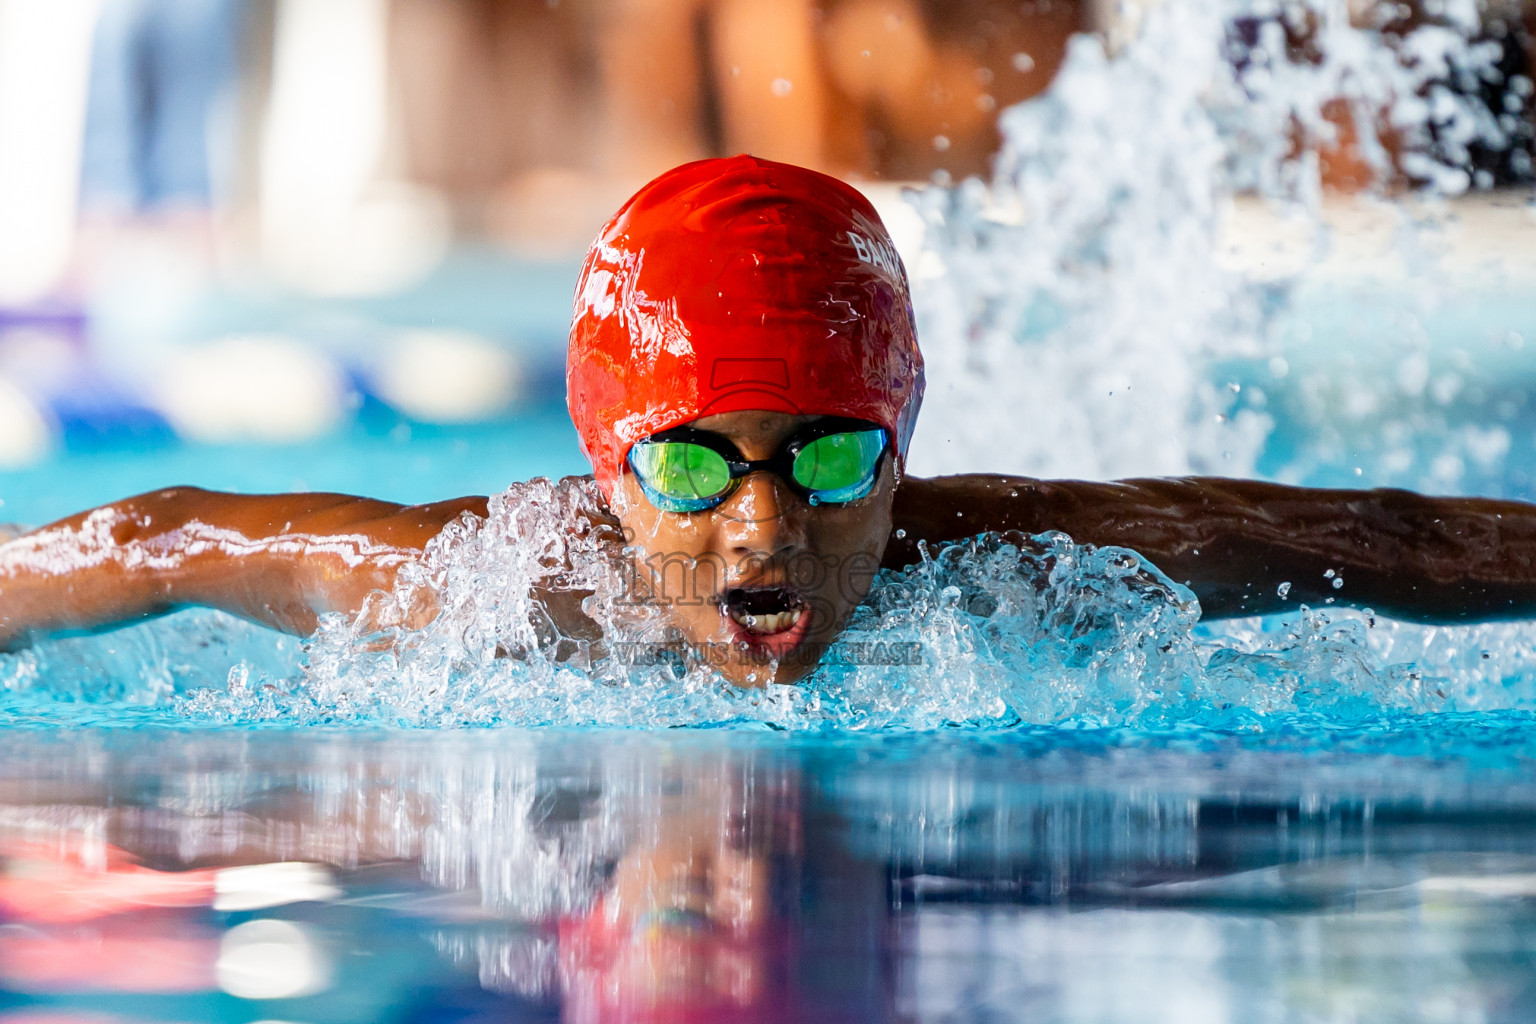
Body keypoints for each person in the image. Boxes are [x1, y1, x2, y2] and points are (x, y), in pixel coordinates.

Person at [5, 155, 1536, 689]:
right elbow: (155, 538)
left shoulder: (1005, 561)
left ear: (899, 451)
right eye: (686, 459)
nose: (764, 527)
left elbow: (1365, 536)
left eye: (825, 453)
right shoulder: (498, 594)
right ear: (609, 471)